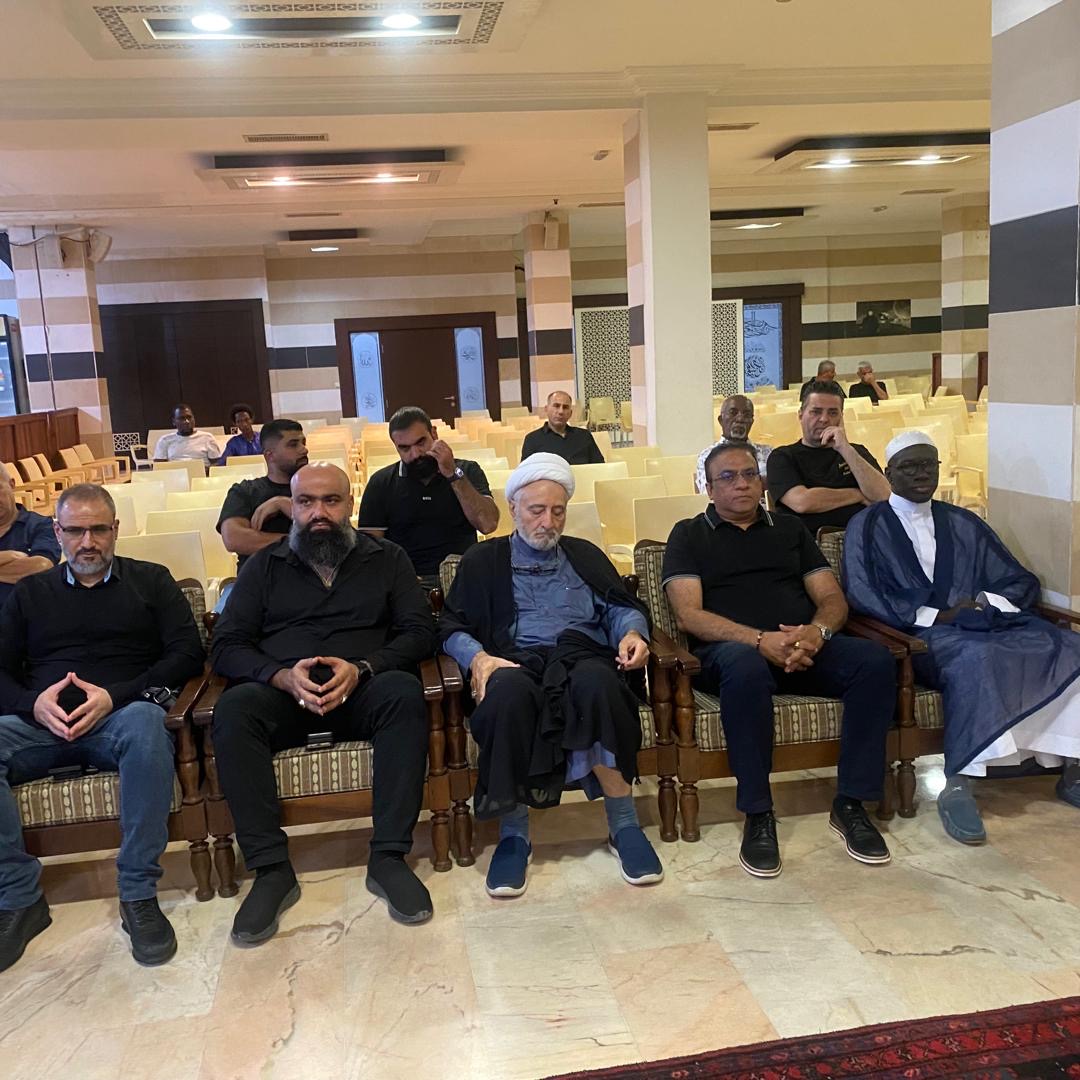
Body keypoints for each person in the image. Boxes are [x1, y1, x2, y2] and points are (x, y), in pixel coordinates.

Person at [211, 463, 437, 943]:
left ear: (349, 504)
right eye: (306, 502)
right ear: (291, 507)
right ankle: (272, 870)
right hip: (285, 695)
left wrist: (365, 667)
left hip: (362, 689)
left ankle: (388, 857)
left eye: (330, 501)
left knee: (402, 692)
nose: (318, 513)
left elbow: (420, 631)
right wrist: (278, 676)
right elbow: (226, 645)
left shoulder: (387, 558)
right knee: (235, 709)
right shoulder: (264, 566)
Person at [662, 443, 895, 877]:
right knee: (746, 668)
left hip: (801, 647)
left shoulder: (790, 529)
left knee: (874, 661)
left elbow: (831, 598)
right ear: (709, 489)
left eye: (749, 474)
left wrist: (816, 634)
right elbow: (688, 615)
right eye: (728, 477)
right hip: (729, 654)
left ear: (762, 482)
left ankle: (851, 803)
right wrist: (758, 640)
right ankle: (758, 812)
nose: (742, 483)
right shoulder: (688, 535)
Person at [0, 483, 205, 972]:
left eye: (97, 530)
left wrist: (117, 695)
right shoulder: (30, 593)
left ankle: (137, 893)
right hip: (41, 724)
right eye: (75, 531)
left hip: (120, 715)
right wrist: (34, 704)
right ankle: (19, 899)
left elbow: (187, 653)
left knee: (146, 724)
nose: (87, 542)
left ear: (115, 529)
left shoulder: (152, 580)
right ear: (57, 532)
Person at [439, 452, 662, 898]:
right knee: (507, 695)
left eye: (557, 511)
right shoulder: (483, 559)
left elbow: (618, 608)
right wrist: (478, 658)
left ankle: (624, 825)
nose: (548, 522)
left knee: (599, 684)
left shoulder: (583, 554)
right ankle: (514, 836)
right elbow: (450, 627)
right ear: (514, 508)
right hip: (513, 660)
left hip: (581, 656)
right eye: (537, 510)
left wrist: (632, 633)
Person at [842, 431, 1080, 844]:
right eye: (910, 466)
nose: (921, 474)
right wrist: (938, 615)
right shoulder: (867, 524)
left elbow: (1014, 577)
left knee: (1068, 646)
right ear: (889, 473)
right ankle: (960, 781)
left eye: (928, 465)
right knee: (976, 659)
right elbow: (862, 592)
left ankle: (1072, 765)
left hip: (981, 624)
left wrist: (985, 603)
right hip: (918, 636)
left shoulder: (963, 521)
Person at [358, 406, 498, 588]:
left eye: (421, 443)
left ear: (434, 434)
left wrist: (452, 474)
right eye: (405, 448)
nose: (415, 454)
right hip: (407, 581)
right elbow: (371, 550)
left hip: (462, 576)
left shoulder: (466, 471)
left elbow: (488, 524)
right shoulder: (381, 483)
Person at [767, 379, 890, 535]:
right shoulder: (782, 456)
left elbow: (884, 496)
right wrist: (858, 494)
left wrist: (845, 449)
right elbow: (802, 502)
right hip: (810, 541)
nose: (824, 419)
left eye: (832, 413)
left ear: (841, 417)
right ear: (801, 415)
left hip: (864, 538)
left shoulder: (856, 452)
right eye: (816, 412)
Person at [218, 419, 309, 574]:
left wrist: (284, 504)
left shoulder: (316, 488)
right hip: (258, 579)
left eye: (303, 443)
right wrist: (300, 543)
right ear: (270, 455)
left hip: (307, 578)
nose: (304, 450)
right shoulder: (245, 491)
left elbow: (330, 537)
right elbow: (234, 538)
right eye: (293, 444)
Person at [694, 394, 772, 495]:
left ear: (752, 422)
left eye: (746, 414)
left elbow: (776, 491)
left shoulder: (768, 453)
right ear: (721, 420)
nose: (740, 419)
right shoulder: (707, 456)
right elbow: (709, 494)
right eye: (733, 413)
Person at [0, 475, 60, 605]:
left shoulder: (40, 525)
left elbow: (42, 568)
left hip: (24, 613)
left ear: (11, 484)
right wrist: (8, 557)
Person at [520, 391, 605, 465]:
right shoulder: (532, 439)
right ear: (546, 409)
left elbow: (599, 466)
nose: (561, 411)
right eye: (556, 406)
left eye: (565, 407)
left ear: (570, 413)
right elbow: (526, 472)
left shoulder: (584, 436)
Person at [153, 404, 221, 468]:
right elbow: (159, 467)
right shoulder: (165, 440)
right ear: (174, 422)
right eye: (181, 418)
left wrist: (205, 470)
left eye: (189, 417)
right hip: (175, 474)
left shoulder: (207, 438)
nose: (187, 421)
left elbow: (217, 463)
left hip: (202, 474)